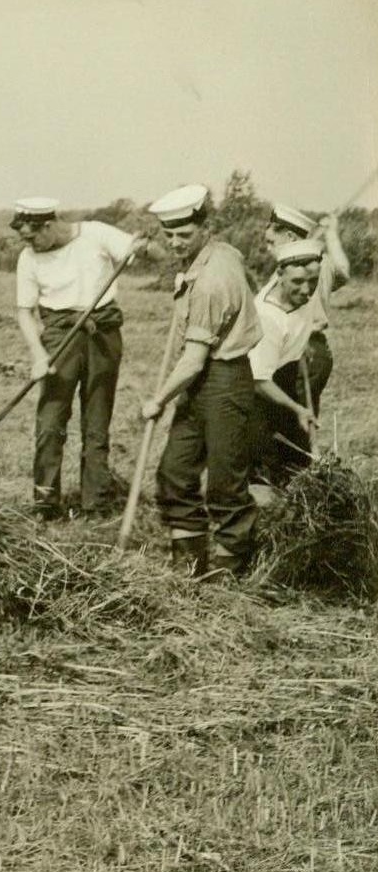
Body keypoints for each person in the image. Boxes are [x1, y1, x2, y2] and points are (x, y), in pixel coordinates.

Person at [142, 184, 262, 577]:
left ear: (203, 226)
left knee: (226, 484)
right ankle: (189, 563)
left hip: (224, 380)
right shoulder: (220, 252)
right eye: (169, 234)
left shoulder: (211, 280)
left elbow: (193, 361)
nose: (176, 243)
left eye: (184, 234)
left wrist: (157, 400)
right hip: (203, 380)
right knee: (175, 471)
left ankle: (231, 568)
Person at [11, 196, 139, 519]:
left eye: (33, 236)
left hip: (103, 333)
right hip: (60, 335)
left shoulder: (95, 233)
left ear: (50, 225)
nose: (30, 243)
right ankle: (45, 502)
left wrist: (141, 245)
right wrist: (39, 355)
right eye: (23, 237)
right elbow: (25, 312)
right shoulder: (28, 258)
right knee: (50, 421)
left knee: (97, 420)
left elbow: (137, 248)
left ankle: (94, 503)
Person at [248, 239, 324, 485]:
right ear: (279, 275)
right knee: (263, 466)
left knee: (300, 460)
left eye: (312, 281)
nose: (306, 290)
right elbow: (259, 381)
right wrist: (297, 408)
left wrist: (301, 344)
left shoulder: (305, 286)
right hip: (255, 389)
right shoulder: (267, 316)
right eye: (298, 282)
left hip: (286, 371)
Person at [263, 203, 350, 412]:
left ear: (291, 238)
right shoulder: (324, 262)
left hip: (302, 352)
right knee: (298, 420)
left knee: (292, 421)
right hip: (312, 353)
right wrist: (332, 235)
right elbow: (344, 273)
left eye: (271, 242)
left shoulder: (292, 272)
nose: (267, 248)